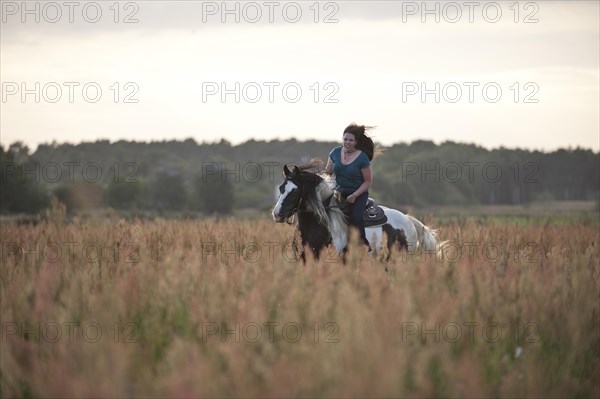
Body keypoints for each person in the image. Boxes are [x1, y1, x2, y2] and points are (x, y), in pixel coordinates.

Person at [325, 123, 377, 249]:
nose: (347, 142)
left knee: (355, 217)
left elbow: (367, 182)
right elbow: (328, 173)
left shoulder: (362, 158)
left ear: (356, 142)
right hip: (338, 193)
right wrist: (327, 169)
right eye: (345, 139)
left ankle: (363, 244)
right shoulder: (335, 152)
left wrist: (354, 195)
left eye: (351, 140)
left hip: (358, 194)